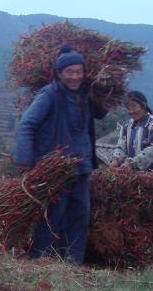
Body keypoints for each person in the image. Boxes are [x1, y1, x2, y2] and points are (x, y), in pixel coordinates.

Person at [13, 45, 108, 264]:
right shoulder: (49, 95)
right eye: (70, 72)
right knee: (54, 214)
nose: (75, 77)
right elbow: (26, 125)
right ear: (59, 73)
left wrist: (105, 90)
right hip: (57, 168)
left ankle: (72, 262)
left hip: (82, 166)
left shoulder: (86, 95)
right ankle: (40, 259)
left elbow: (101, 113)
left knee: (80, 214)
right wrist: (25, 160)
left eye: (79, 72)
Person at [110, 90, 153, 183]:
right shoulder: (126, 126)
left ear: (143, 106)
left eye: (134, 107)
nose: (131, 111)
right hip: (133, 177)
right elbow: (121, 147)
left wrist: (130, 163)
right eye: (128, 108)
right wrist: (115, 160)